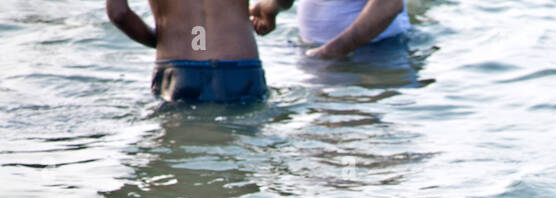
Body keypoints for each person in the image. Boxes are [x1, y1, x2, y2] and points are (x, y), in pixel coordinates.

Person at [106, 0, 270, 103]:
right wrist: (270, 11)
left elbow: (118, 13)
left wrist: (163, 41)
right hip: (241, 69)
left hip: (179, 71)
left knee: (181, 152)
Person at [250, 0, 409, 59]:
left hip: (378, 53)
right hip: (316, 53)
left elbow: (389, 5)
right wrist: (270, 8)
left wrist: (330, 52)